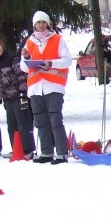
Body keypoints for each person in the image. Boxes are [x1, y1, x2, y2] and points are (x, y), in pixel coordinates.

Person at [20, 10, 72, 164]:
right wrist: (27, 58)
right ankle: (46, 152)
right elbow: (23, 67)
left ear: (48, 24)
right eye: (38, 22)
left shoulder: (57, 39)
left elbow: (67, 60)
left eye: (44, 22)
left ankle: (62, 153)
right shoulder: (29, 42)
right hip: (36, 87)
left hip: (53, 86)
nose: (41, 25)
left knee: (55, 119)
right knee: (40, 121)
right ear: (34, 25)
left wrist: (51, 63)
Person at [0, 37, 36, 160]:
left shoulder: (12, 59)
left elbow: (20, 75)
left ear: (2, 46)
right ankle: (16, 148)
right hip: (7, 97)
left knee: (23, 123)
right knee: (11, 125)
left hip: (18, 95)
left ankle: (28, 149)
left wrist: (23, 92)